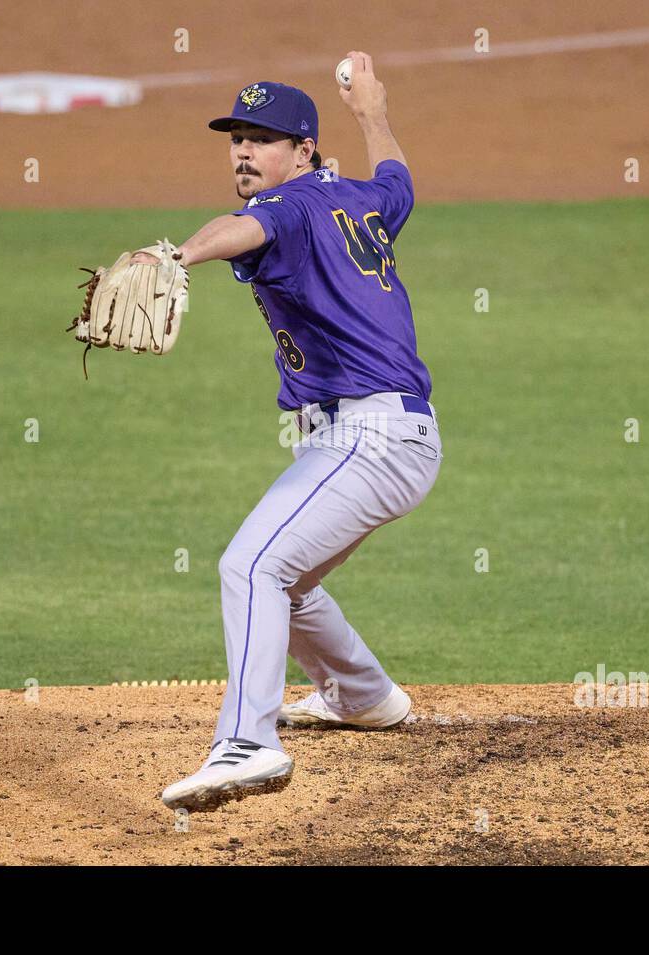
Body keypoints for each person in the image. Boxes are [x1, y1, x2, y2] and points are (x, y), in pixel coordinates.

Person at [153, 51, 443, 812]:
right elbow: (399, 182)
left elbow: (241, 228)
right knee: (293, 579)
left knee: (250, 568)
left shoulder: (290, 205)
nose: (245, 151)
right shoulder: (356, 197)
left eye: (264, 138)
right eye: (236, 137)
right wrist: (373, 110)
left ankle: (248, 744)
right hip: (390, 437)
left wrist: (178, 256)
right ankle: (363, 694)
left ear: (302, 151)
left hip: (370, 437)